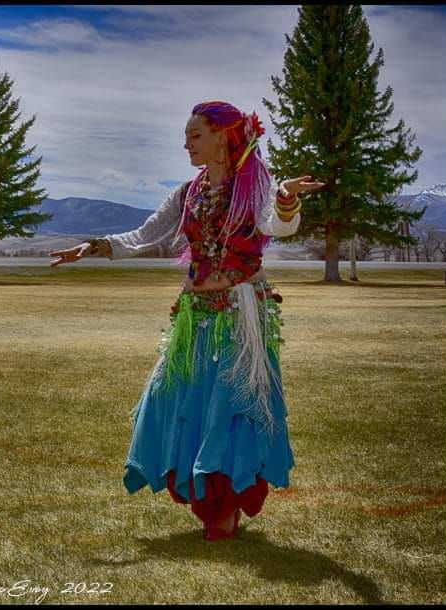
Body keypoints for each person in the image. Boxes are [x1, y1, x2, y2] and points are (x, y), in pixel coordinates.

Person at [49, 101, 324, 540]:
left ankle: (227, 503)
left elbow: (278, 224)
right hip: (193, 315)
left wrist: (287, 200)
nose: (186, 145)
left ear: (222, 137)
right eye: (186, 137)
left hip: (239, 315)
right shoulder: (187, 192)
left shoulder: (255, 186)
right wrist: (90, 247)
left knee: (229, 405)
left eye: (194, 136)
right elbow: (144, 235)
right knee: (179, 398)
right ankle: (204, 495)